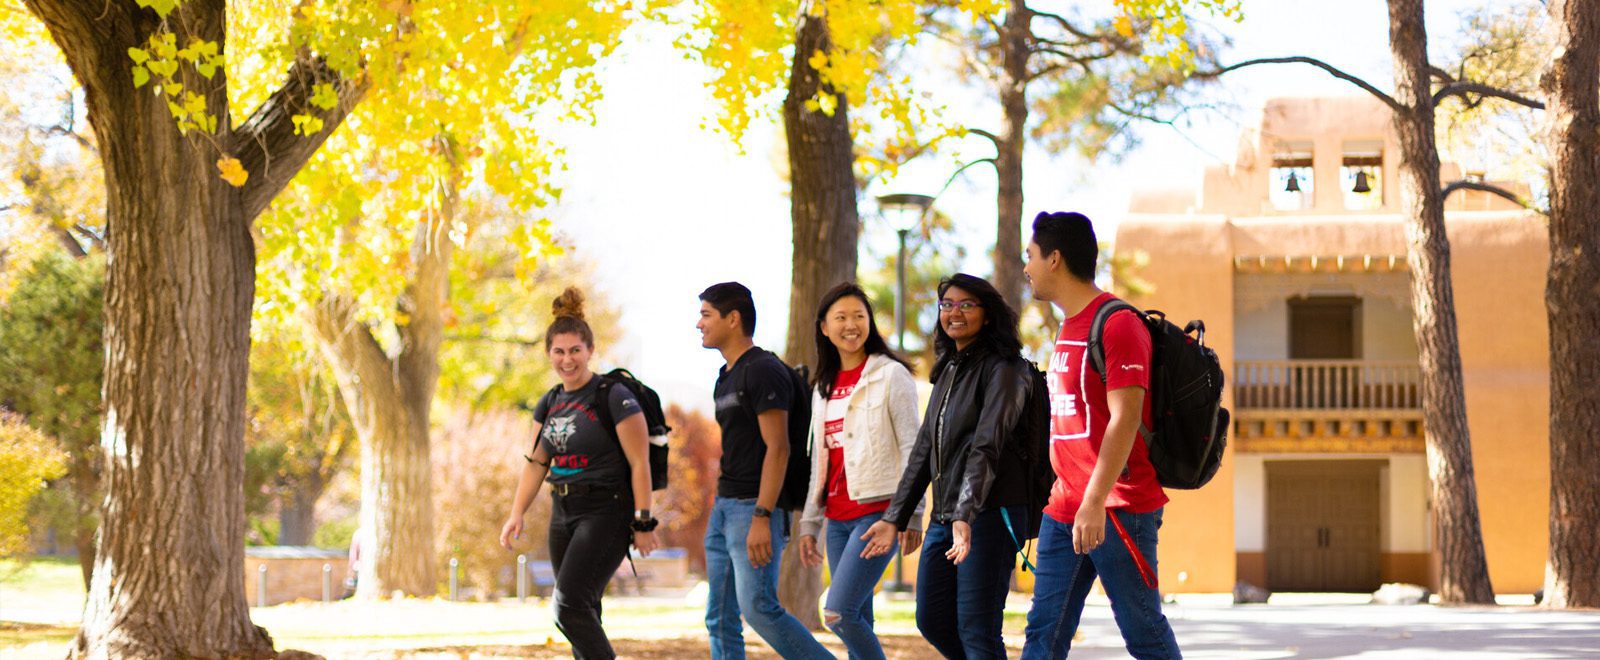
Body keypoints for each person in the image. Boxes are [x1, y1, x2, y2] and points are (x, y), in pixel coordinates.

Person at [1019, 212, 1180, 659]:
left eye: (1029, 256)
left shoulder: (1117, 323)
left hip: (1116, 507)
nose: (1025, 267)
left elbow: (1124, 419)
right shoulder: (1068, 326)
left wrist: (1094, 500)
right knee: (1043, 634)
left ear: (1054, 259)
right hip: (1064, 507)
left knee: (1143, 633)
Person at [865, 273, 1037, 658]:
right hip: (946, 518)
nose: (953, 312)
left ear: (988, 314)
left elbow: (987, 444)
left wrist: (966, 513)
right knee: (932, 618)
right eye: (946, 305)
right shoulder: (949, 369)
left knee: (976, 626)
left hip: (990, 514)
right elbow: (925, 448)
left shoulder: (1006, 369)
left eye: (965, 305)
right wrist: (895, 517)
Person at [499, 287, 659, 660]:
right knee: (585, 608)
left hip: (607, 510)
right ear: (548, 354)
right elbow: (537, 462)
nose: (567, 359)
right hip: (563, 512)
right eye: (559, 351)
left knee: (567, 607)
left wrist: (644, 521)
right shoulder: (551, 401)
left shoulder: (614, 396)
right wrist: (516, 513)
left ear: (590, 350)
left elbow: (640, 463)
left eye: (575, 350)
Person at [696, 282, 832, 660]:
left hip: (754, 508)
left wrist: (762, 514)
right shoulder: (726, 375)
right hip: (725, 508)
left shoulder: (764, 371)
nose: (699, 323)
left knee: (758, 607)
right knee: (719, 617)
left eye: (706, 314)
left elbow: (779, 448)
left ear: (733, 318)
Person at [794, 283, 923, 660]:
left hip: (877, 514)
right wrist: (811, 523)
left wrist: (911, 514)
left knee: (837, 612)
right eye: (841, 318)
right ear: (823, 327)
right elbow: (822, 459)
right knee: (858, 615)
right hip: (837, 519)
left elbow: (913, 449)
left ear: (870, 322)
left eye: (859, 316)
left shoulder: (890, 375)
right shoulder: (823, 388)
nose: (851, 325)